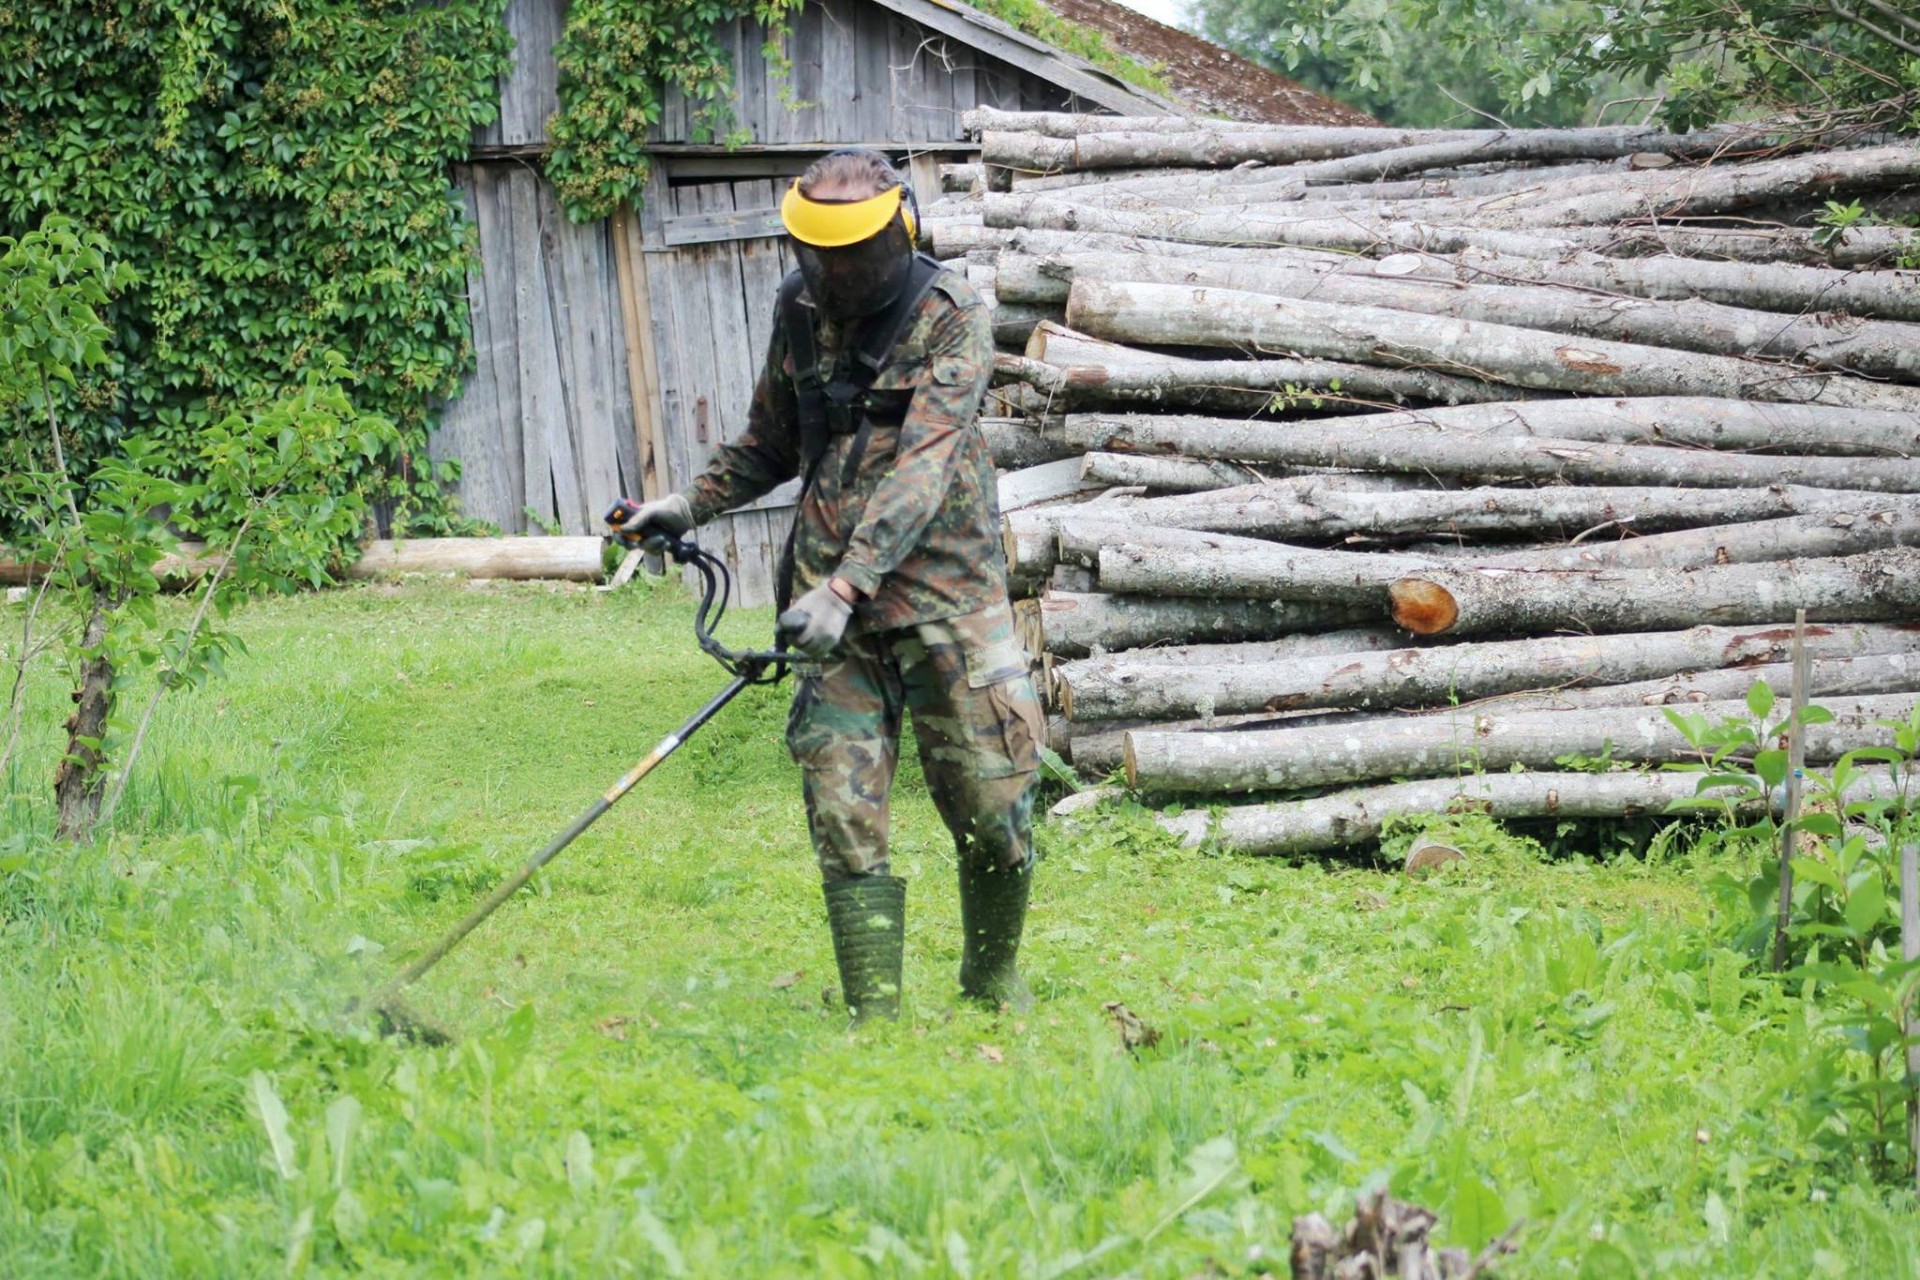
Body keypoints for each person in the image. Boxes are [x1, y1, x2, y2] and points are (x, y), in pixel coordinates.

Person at [617, 149, 1044, 1022]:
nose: (833, 269)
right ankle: (875, 1017)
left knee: (995, 809)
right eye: (816, 251)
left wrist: (847, 586)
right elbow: (772, 441)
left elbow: (921, 474)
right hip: (830, 618)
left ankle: (992, 975)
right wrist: (684, 506)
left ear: (899, 229)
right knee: (843, 813)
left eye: (851, 251)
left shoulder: (953, 316)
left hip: (947, 601)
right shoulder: (798, 309)